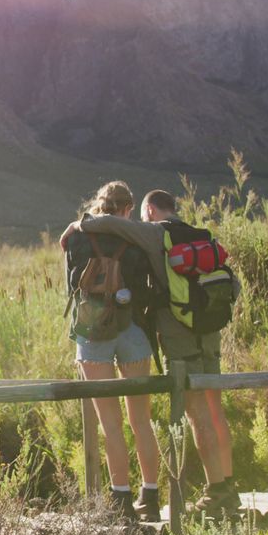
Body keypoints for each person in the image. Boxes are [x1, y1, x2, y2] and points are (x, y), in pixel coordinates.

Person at [59, 189, 241, 514]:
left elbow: (111, 223)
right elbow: (231, 285)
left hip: (179, 336)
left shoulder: (156, 232)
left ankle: (215, 493)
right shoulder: (200, 236)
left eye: (143, 216)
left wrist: (78, 224)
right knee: (214, 409)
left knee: (196, 414)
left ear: (150, 211)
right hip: (210, 332)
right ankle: (225, 487)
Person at [64, 181, 161, 523]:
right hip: (132, 329)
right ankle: (150, 495)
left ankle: (121, 501)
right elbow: (148, 286)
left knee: (111, 425)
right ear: (127, 208)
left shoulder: (76, 235)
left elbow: (71, 287)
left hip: (92, 333)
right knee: (141, 422)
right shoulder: (135, 235)